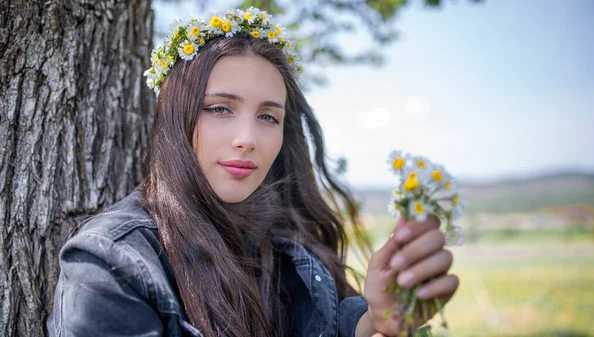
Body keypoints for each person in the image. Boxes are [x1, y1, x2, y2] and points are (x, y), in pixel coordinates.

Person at [47, 8, 458, 337]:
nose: (248, 138)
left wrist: (381, 325)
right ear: (176, 118)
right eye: (220, 108)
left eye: (267, 116)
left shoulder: (290, 247)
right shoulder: (108, 262)